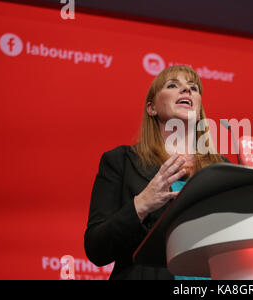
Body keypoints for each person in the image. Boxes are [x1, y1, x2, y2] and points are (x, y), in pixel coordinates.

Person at [84, 65, 227, 279]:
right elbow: (96, 249)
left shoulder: (222, 170)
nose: (187, 91)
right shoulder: (121, 162)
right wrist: (141, 204)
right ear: (151, 108)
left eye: (193, 88)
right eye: (172, 85)